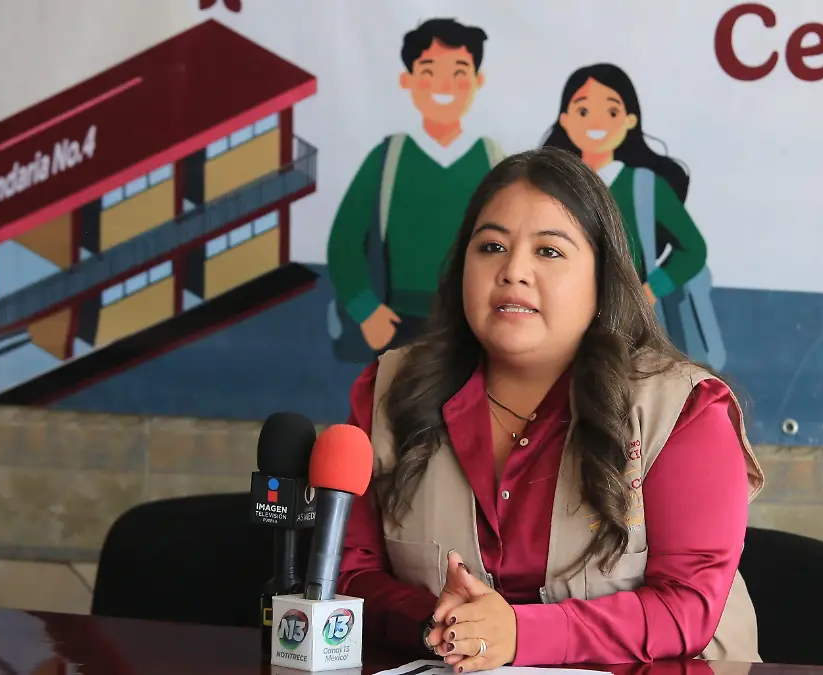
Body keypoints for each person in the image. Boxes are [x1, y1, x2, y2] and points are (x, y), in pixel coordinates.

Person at [337, 147, 765, 671]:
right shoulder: (388, 391)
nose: (513, 270)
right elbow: (349, 571)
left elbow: (686, 607)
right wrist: (442, 623)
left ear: (602, 278)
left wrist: (520, 634)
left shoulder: (682, 408)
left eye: (549, 251)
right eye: (491, 246)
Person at [326, 17, 504, 362]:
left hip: (470, 321)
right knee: (396, 395)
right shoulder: (388, 158)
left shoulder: (491, 159)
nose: (444, 85)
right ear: (406, 80)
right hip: (398, 322)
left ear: (477, 81)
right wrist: (367, 310)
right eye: (429, 72)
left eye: (459, 73)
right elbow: (344, 242)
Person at [541, 63, 726, 370]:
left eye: (611, 112)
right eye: (583, 111)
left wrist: (648, 292)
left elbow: (693, 249)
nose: (596, 122)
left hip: (625, 330)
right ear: (565, 119)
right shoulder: (550, 182)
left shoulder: (646, 185)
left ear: (629, 120)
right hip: (556, 318)